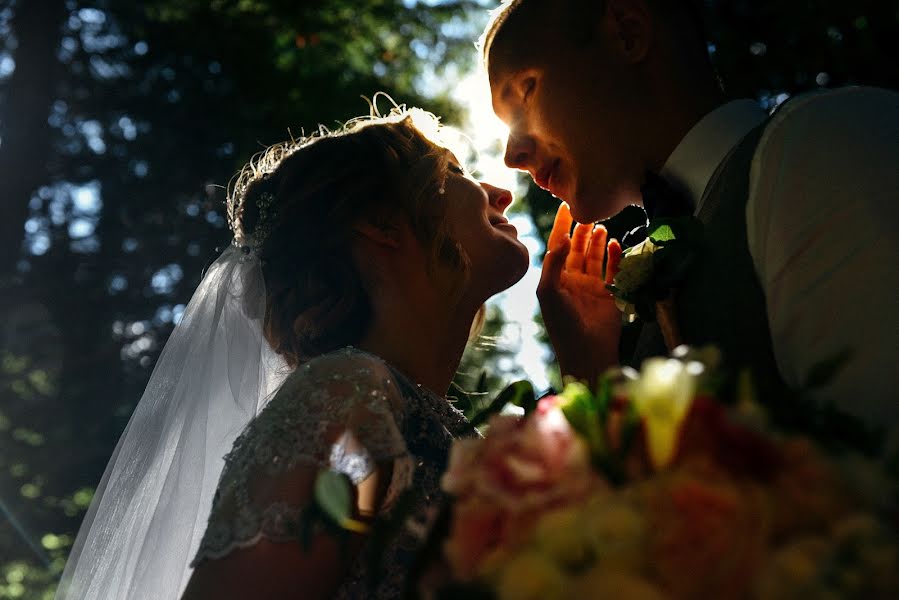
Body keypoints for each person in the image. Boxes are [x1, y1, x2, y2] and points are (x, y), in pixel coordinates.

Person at [55, 106, 530, 600]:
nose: (502, 193)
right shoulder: (349, 395)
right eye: (454, 173)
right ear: (381, 221)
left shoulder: (405, 415)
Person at [480, 0, 899, 425]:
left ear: (627, 33)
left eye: (526, 91)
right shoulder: (631, 295)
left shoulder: (827, 145)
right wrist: (592, 377)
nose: (512, 155)